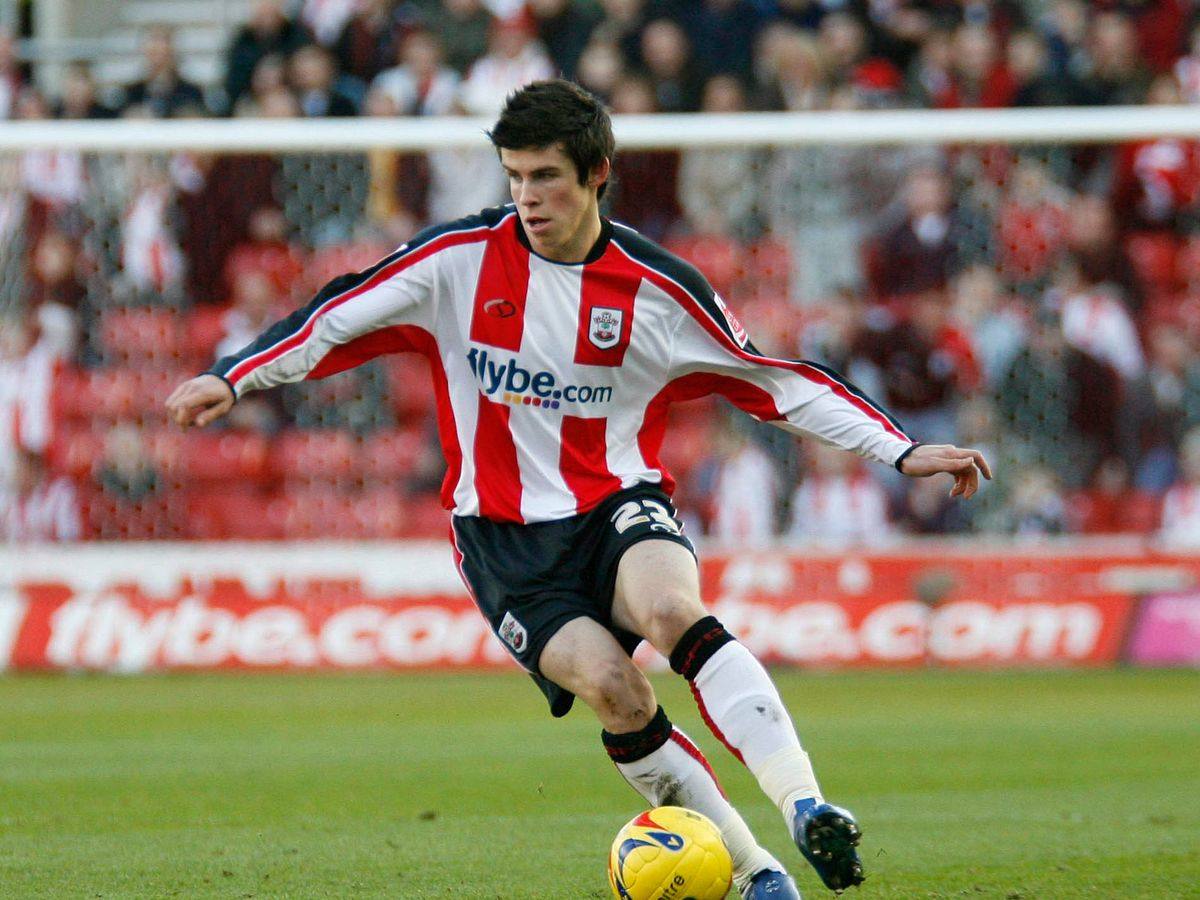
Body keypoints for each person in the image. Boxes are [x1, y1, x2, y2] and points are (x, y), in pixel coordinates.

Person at [166, 79, 991, 898]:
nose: (527, 196)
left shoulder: (660, 292)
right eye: (515, 176)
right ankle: (757, 874)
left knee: (673, 613)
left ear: (598, 172)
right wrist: (233, 378)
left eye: (546, 176)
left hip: (614, 501)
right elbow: (333, 315)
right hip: (501, 535)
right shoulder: (455, 262)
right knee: (614, 692)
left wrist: (901, 449)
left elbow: (775, 381)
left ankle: (807, 803)